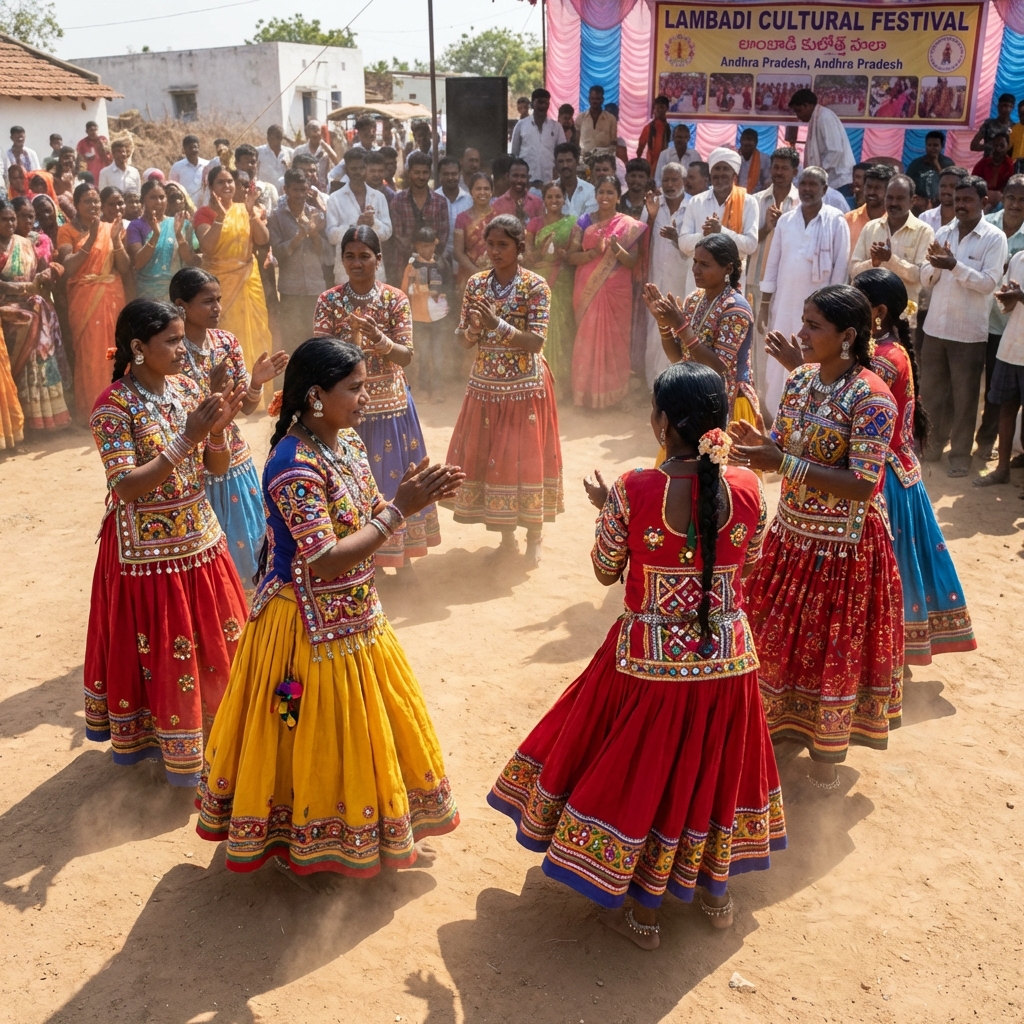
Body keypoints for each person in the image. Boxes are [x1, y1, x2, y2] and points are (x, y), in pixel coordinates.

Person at [489, 362, 785, 943]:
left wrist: (611, 512)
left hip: (649, 665)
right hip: (728, 660)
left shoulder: (633, 488)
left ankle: (645, 912)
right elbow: (743, 565)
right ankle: (715, 895)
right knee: (709, 773)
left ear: (662, 424)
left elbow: (605, 572)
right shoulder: (748, 487)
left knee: (649, 774)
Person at [196, 337, 462, 877]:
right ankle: (311, 844)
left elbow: (361, 518)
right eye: (356, 388)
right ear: (316, 396)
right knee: (309, 733)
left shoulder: (345, 444)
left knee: (364, 728)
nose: (366, 398)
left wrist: (402, 499)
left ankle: (368, 829)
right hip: (304, 627)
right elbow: (323, 560)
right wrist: (401, 511)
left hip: (357, 616)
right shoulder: (292, 464)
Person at [737, 284, 902, 778]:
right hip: (790, 539)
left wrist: (781, 460)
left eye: (814, 326)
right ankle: (772, 735)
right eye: (803, 321)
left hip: (841, 551)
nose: (802, 334)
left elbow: (862, 483)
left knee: (828, 650)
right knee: (772, 642)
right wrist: (758, 445)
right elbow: (782, 444)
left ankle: (824, 755)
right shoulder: (802, 380)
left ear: (848, 335)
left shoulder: (874, 398)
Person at [84, 298, 248, 784]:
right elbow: (126, 486)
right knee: (164, 651)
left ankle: (223, 739)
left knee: (217, 643)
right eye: (172, 340)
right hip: (148, 557)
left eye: (182, 338)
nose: (183, 349)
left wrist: (214, 434)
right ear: (138, 348)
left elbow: (215, 467)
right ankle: (169, 751)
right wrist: (187, 438)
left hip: (200, 540)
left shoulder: (186, 388)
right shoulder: (112, 406)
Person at [851, 269, 976, 662]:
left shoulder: (884, 360)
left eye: (857, 304)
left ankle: (886, 650)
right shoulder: (885, 351)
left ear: (878, 312)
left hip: (884, 477)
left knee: (885, 565)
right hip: (899, 471)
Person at [314, 225, 442, 567]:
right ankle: (361, 560)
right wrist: (350, 347)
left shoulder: (394, 299)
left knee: (394, 481)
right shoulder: (328, 301)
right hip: (343, 413)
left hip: (390, 408)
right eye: (350, 257)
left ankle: (404, 560)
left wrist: (378, 338)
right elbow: (318, 356)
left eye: (364, 257)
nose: (357, 264)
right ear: (341, 260)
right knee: (351, 486)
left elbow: (406, 355)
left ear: (378, 260)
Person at [445, 214, 563, 565]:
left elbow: (536, 341)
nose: (494, 252)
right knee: (496, 460)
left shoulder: (536, 286)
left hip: (525, 388)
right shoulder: (477, 284)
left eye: (503, 245)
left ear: (519, 248)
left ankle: (534, 537)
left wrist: (497, 323)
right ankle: (506, 538)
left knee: (525, 461)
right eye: (490, 244)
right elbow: (464, 341)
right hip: (485, 387)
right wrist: (473, 330)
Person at [170, 267, 288, 584]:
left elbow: (246, 409)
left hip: (234, 459)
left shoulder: (226, 342)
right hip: (194, 463)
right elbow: (172, 412)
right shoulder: (171, 351)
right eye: (208, 301)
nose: (217, 308)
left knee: (251, 543)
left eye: (219, 300)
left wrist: (256, 383)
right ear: (181, 305)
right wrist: (208, 396)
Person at [919, 175, 1007, 476]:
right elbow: (925, 276)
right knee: (930, 393)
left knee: (966, 398)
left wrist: (954, 265)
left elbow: (988, 284)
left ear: (983, 203)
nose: (961, 206)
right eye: (957, 200)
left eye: (967, 200)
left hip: (968, 333)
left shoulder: (995, 238)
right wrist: (933, 268)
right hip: (935, 329)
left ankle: (959, 456)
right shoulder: (943, 231)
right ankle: (931, 445)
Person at [759, 167, 850, 417]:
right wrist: (765, 304)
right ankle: (777, 413)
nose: (808, 189)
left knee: (816, 357)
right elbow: (773, 264)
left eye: (814, 184)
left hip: (822, 313)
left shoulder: (836, 220)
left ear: (825, 189)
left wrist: (833, 312)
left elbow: (840, 270)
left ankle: (810, 414)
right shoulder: (786, 221)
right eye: (804, 184)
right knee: (779, 356)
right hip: (785, 305)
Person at [644, 234, 759, 427]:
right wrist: (663, 323)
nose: (695, 269)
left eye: (704, 265)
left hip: (725, 401)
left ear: (728, 269)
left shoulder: (736, 309)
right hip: (693, 395)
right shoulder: (694, 300)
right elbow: (678, 357)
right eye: (695, 262)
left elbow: (718, 366)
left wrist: (680, 325)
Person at [568, 176, 646, 408]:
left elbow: (632, 262)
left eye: (610, 193)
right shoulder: (583, 221)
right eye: (601, 192)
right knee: (587, 338)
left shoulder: (628, 224)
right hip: (587, 286)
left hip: (616, 289)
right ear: (595, 195)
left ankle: (614, 396)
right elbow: (571, 255)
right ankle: (586, 396)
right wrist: (592, 254)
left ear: (618, 196)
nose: (604, 197)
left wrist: (616, 249)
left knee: (616, 340)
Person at [57, 182, 129, 420]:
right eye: (87, 201)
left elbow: (125, 267)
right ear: (76, 205)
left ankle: (121, 408)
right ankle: (95, 409)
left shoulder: (113, 228)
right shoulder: (66, 231)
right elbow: (68, 267)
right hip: (85, 301)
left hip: (111, 298)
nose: (94, 205)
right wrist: (90, 240)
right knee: (90, 355)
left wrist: (116, 240)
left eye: (96, 201)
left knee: (113, 352)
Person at [193, 165, 273, 377]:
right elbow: (207, 247)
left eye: (230, 181)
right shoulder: (204, 213)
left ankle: (257, 392)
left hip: (248, 278)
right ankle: (230, 391)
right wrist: (219, 217)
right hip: (220, 282)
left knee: (257, 330)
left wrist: (250, 213)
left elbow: (263, 239)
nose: (227, 186)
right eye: (220, 182)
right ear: (210, 186)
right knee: (225, 333)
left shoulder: (244, 208)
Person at [0, 199, 69, 437]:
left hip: (31, 306)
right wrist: (22, 290)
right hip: (5, 308)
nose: (12, 223)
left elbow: (42, 272)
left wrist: (50, 272)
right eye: (6, 219)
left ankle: (42, 421)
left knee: (38, 350)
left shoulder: (26, 243)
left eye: (13, 219)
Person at [976, 175, 1024, 460]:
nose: (1016, 204)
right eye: (1012, 198)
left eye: (1022, 200)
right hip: (981, 317)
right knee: (981, 387)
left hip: (1011, 328)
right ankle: (983, 439)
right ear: (1002, 198)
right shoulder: (987, 226)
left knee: (999, 389)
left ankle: (990, 443)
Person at [748, 147, 800, 405]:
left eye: (784, 168)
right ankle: (758, 401)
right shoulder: (756, 201)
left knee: (786, 340)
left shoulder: (802, 204)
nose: (778, 173)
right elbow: (747, 243)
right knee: (758, 344)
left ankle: (782, 400)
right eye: (775, 167)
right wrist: (766, 227)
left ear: (795, 172)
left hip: (788, 286)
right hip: (756, 282)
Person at [640, 162, 691, 387]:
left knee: (679, 327)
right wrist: (651, 216)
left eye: (674, 180)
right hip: (656, 279)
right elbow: (640, 237)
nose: (670, 185)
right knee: (655, 332)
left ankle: (676, 383)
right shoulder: (653, 204)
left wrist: (676, 237)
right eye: (666, 180)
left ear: (684, 182)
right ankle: (655, 383)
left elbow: (695, 244)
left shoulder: (693, 205)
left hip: (682, 280)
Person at [678, 147, 758, 293]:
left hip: (732, 281)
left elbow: (751, 245)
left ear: (734, 174)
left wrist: (721, 232)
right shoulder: (696, 202)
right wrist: (705, 235)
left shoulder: (748, 202)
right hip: (698, 283)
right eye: (717, 169)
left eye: (725, 169)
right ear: (710, 173)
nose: (720, 174)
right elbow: (683, 243)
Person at [849, 175, 934, 311]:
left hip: (906, 312)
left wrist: (891, 260)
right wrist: (874, 262)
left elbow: (921, 275)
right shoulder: (870, 228)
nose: (893, 203)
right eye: (890, 197)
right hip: (872, 311)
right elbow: (854, 270)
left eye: (900, 198)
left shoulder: (924, 231)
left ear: (913, 201)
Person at [268, 168, 326, 355]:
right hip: (290, 289)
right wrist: (299, 237)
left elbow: (324, 254)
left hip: (315, 286)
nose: (301, 195)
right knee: (292, 339)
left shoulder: (317, 215)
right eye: (296, 190)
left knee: (315, 337)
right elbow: (278, 252)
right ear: (285, 189)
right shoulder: (275, 217)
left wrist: (314, 233)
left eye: (304, 190)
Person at [526, 180, 577, 393]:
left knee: (564, 330)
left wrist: (564, 256)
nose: (554, 200)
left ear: (564, 199)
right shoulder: (534, 224)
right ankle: (539, 383)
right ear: (544, 200)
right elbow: (528, 257)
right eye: (550, 197)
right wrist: (542, 251)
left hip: (563, 281)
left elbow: (575, 252)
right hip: (540, 282)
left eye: (558, 197)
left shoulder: (573, 223)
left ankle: (560, 387)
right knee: (539, 329)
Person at [978, 248, 1024, 484]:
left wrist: (1021, 296)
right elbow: (1010, 308)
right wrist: (1006, 298)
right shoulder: (1018, 258)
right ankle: (1002, 469)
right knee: (1006, 408)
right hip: (1011, 345)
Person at [325, 148, 392, 286]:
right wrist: (354, 226)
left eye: (361, 168)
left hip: (375, 271)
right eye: (353, 168)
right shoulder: (335, 198)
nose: (357, 172)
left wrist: (373, 223)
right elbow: (331, 236)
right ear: (346, 169)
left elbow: (387, 233)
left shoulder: (378, 197)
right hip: (346, 272)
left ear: (366, 168)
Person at [125, 179, 200, 300]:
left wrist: (179, 235)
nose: (158, 202)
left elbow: (192, 261)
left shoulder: (179, 223)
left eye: (162, 197)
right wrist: (155, 235)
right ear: (143, 199)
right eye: (153, 198)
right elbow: (138, 263)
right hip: (147, 293)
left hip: (176, 291)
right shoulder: (136, 226)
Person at [401, 224, 452, 402]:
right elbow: (404, 289)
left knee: (437, 354)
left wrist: (441, 292)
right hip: (419, 315)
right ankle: (422, 389)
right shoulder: (411, 265)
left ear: (435, 244)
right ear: (416, 246)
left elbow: (449, 284)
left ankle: (437, 389)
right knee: (422, 353)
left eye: (430, 245)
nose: (427, 249)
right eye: (423, 246)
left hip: (439, 315)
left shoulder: (442, 262)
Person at [387, 152, 449, 285]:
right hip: (404, 266)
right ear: (409, 173)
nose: (421, 177)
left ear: (430, 174)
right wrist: (419, 256)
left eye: (425, 172)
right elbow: (398, 237)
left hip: (434, 269)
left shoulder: (440, 202)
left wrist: (428, 257)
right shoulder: (397, 201)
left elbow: (442, 237)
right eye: (417, 172)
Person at [789, 88, 856, 199]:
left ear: (808, 106)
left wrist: (817, 173)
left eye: (798, 111)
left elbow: (835, 150)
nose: (798, 116)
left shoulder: (825, 117)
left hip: (838, 181)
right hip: (829, 181)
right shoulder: (817, 118)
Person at [511, 88, 561, 187]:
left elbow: (561, 154)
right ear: (532, 104)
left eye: (546, 103)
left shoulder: (556, 127)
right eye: (540, 102)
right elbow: (514, 155)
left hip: (550, 182)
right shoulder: (521, 125)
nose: (543, 106)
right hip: (526, 182)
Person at [453, 172, 494, 294]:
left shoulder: (498, 217)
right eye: (478, 189)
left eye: (486, 189)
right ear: (471, 191)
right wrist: (476, 272)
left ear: (492, 191)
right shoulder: (462, 219)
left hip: (494, 276)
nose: (482, 192)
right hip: (469, 276)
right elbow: (458, 252)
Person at [846, 164, 893, 253]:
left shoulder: (895, 222)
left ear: (888, 190)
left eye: (877, 188)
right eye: (869, 187)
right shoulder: (848, 220)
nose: (871, 192)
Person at [435, 155, 472, 267]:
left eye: (454, 174)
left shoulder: (469, 200)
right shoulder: (434, 199)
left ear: (459, 174)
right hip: (439, 259)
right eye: (446, 174)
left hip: (465, 260)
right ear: (440, 175)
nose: (450, 177)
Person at [906, 131, 955, 206]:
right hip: (919, 204)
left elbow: (951, 184)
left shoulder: (948, 163)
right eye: (929, 145)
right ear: (926, 146)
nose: (932, 148)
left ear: (941, 146)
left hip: (941, 203)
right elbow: (908, 185)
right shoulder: (916, 164)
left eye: (935, 145)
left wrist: (936, 164)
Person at [490, 157, 544, 226]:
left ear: (528, 178)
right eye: (515, 176)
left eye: (523, 176)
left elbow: (541, 231)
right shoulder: (497, 205)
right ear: (507, 176)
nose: (519, 180)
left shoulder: (537, 203)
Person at [972, 130, 1014, 209]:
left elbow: (1011, 187)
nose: (998, 149)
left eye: (1002, 146)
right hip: (983, 197)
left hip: (1004, 200)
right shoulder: (983, 163)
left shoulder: (1011, 165)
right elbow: (973, 183)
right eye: (996, 145)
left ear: (1008, 147)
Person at [553, 143, 596, 219]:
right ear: (555, 164)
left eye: (569, 161)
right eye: (561, 161)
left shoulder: (589, 190)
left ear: (577, 162)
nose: (565, 165)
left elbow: (589, 220)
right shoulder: (550, 191)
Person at [292, 120, 339, 190]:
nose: (315, 133)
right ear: (307, 133)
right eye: (312, 129)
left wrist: (325, 145)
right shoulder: (299, 150)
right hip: (302, 187)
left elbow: (336, 162)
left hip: (322, 187)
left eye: (317, 130)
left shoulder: (326, 151)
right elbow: (293, 170)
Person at [233, 144, 279, 213]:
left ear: (257, 164)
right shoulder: (231, 189)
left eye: (253, 162)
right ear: (236, 164)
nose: (249, 165)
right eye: (246, 161)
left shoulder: (268, 189)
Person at [576, 86, 618, 162]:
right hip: (584, 160)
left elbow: (613, 143)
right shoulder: (580, 118)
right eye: (593, 99)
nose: (595, 101)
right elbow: (576, 141)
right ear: (589, 99)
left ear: (602, 100)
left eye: (598, 99)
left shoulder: (611, 119)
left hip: (604, 161)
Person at [971, 92, 1016, 158]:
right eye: (1004, 105)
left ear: (1012, 108)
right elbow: (973, 146)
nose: (1007, 109)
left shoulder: (1014, 127)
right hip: (988, 163)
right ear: (998, 106)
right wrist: (993, 146)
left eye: (1010, 106)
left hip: (1006, 165)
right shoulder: (988, 125)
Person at [169, 135, 208, 207]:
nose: (193, 150)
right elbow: (173, 189)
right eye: (190, 148)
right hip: (185, 208)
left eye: (195, 147)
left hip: (205, 207)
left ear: (199, 147)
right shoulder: (177, 167)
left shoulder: (207, 165)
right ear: (184, 149)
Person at [636, 95, 672, 169]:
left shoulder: (668, 127)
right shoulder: (648, 128)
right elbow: (640, 148)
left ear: (667, 109)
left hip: (664, 163)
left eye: (662, 107)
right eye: (657, 108)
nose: (659, 110)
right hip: (651, 164)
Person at [738, 128, 769, 193]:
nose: (746, 142)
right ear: (740, 140)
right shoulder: (734, 157)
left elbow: (767, 182)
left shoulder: (764, 159)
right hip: (736, 197)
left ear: (756, 142)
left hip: (756, 198)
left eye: (749, 139)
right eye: (744, 139)